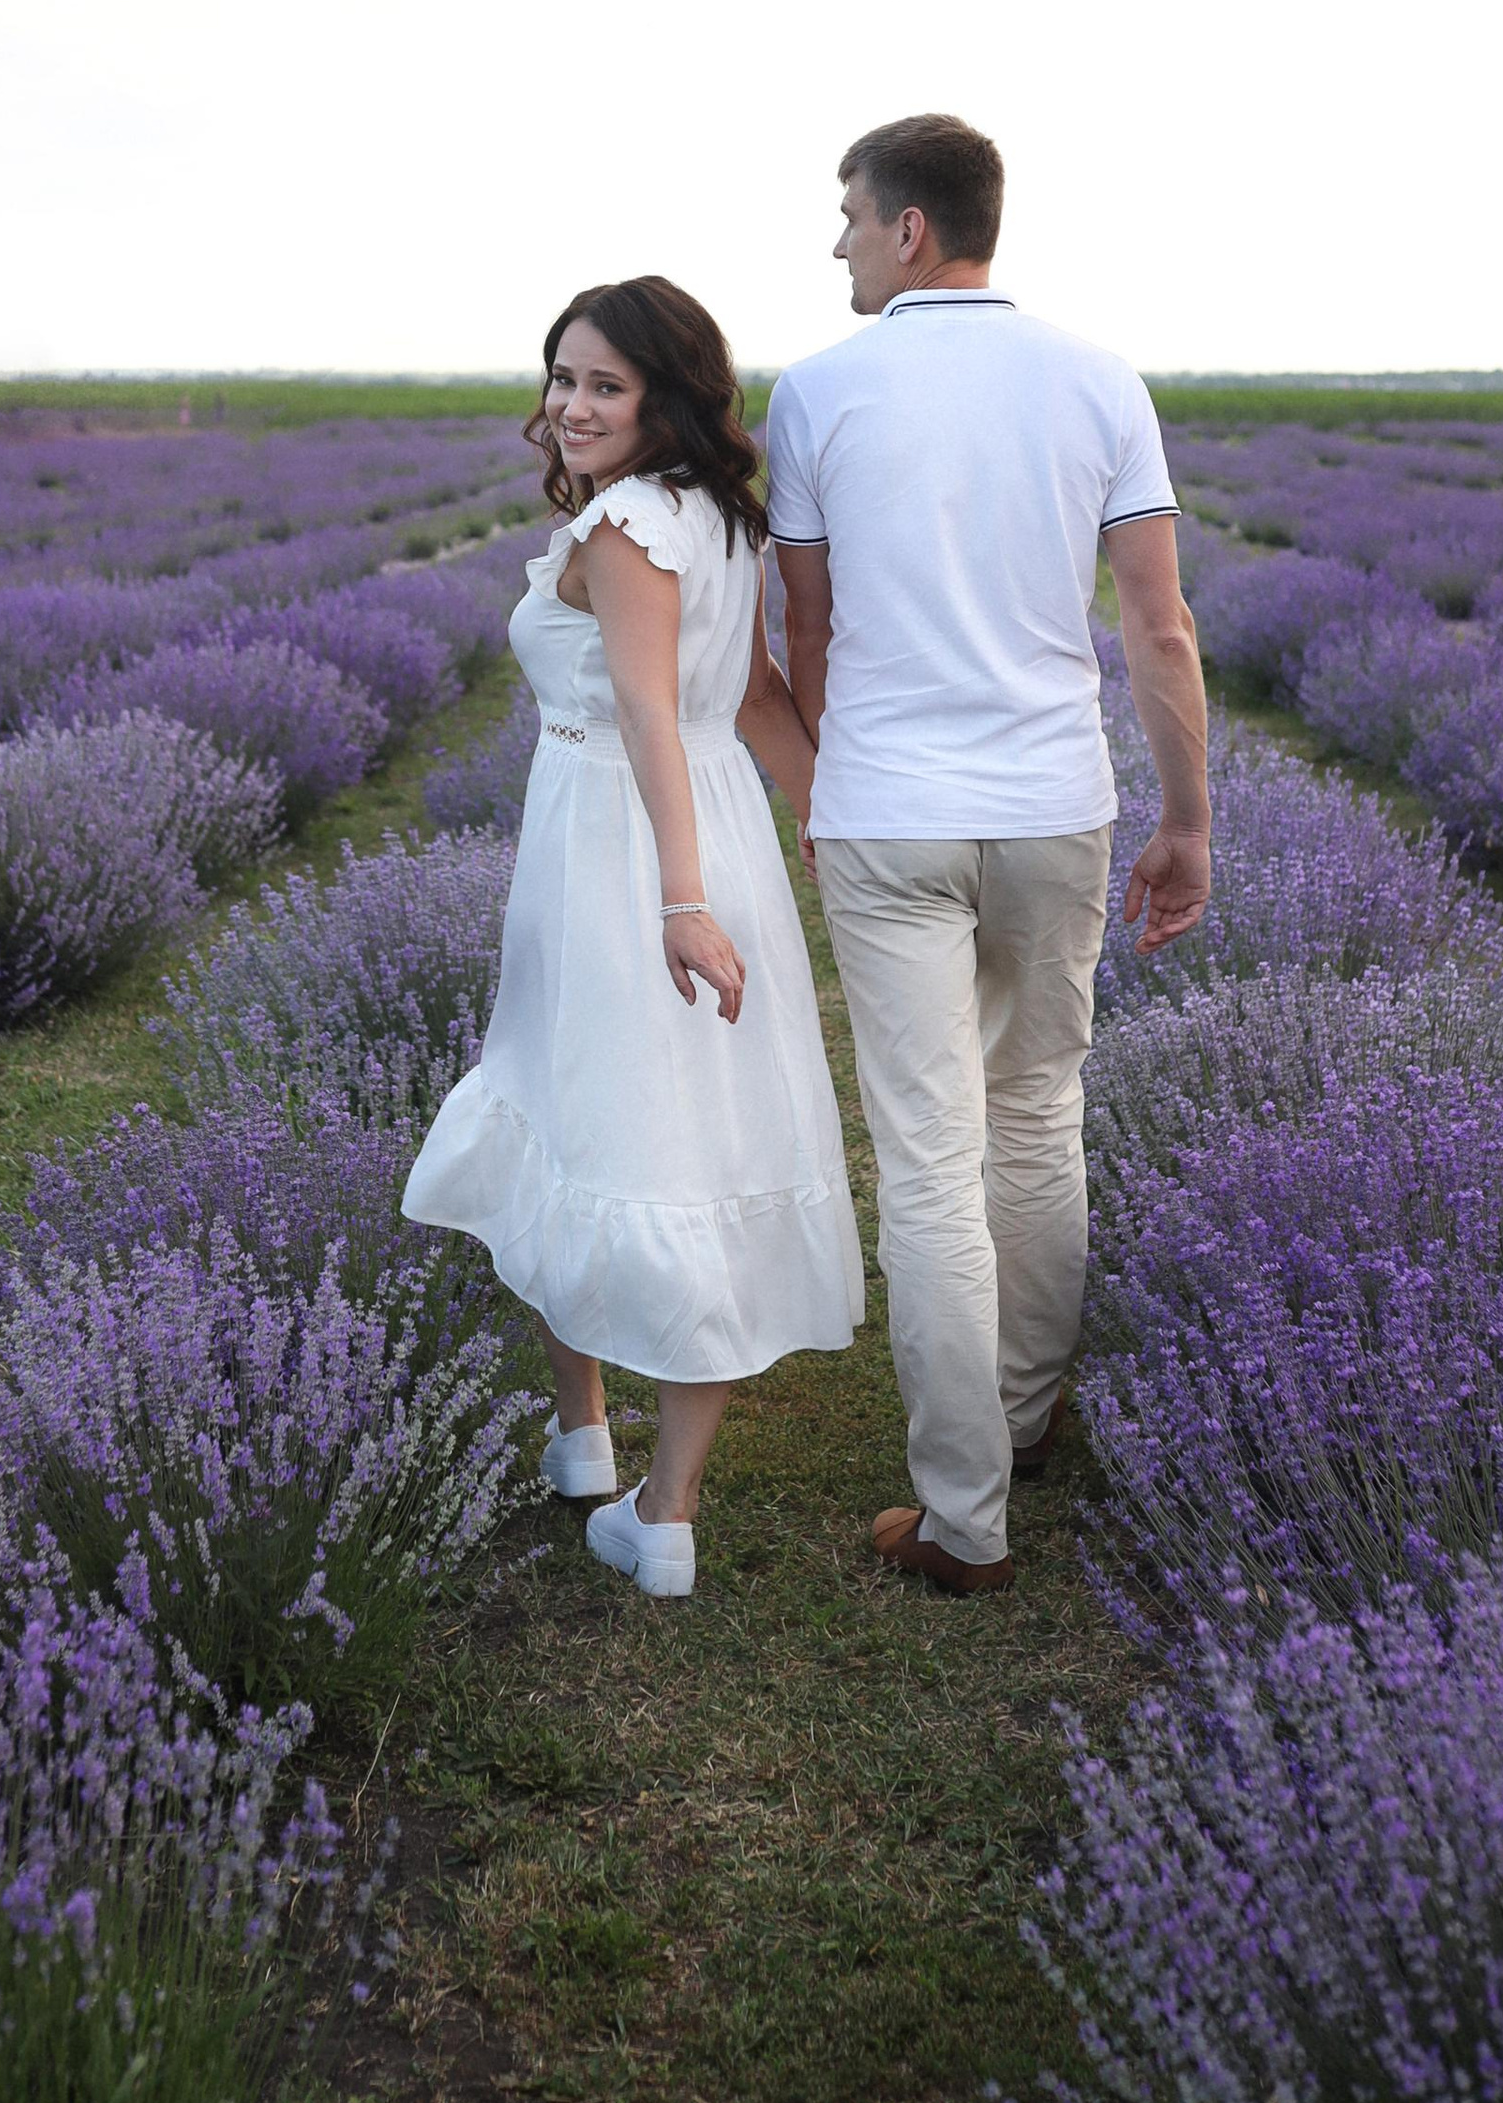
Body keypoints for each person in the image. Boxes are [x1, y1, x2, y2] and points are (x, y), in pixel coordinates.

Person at [767, 114, 1209, 1598]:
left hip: (891, 807)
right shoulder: (1099, 380)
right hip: (1052, 802)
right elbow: (1157, 624)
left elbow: (809, 627)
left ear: (909, 230)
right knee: (1037, 1114)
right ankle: (1025, 1417)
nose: (836, 241)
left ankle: (965, 1516)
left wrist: (836, 785)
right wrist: (1187, 820)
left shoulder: (819, 391)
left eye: (848, 215)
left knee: (927, 1156)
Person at [403, 276, 865, 1599]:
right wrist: (826, 818)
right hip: (703, 834)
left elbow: (653, 714)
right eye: (563, 378)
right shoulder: (718, 515)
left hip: (624, 850)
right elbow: (757, 696)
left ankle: (646, 1495)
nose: (573, 405)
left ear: (666, 397)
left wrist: (678, 900)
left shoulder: (621, 525)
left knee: (591, 1125)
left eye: (606, 384)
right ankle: (610, 1462)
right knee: (690, 1135)